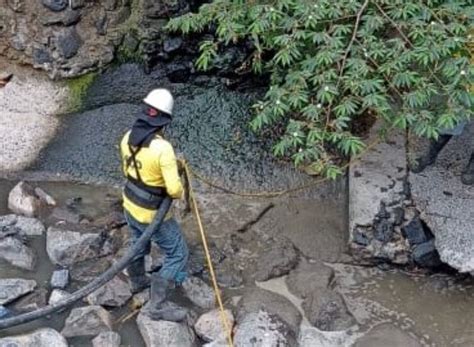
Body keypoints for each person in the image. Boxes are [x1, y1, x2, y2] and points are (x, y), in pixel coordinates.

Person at [120, 88, 189, 322]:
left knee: (139, 243)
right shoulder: (163, 149)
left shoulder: (127, 137)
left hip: (129, 204)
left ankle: (138, 282)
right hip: (153, 214)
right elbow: (175, 191)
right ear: (163, 121)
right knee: (178, 253)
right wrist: (175, 170)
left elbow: (127, 170)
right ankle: (157, 306)